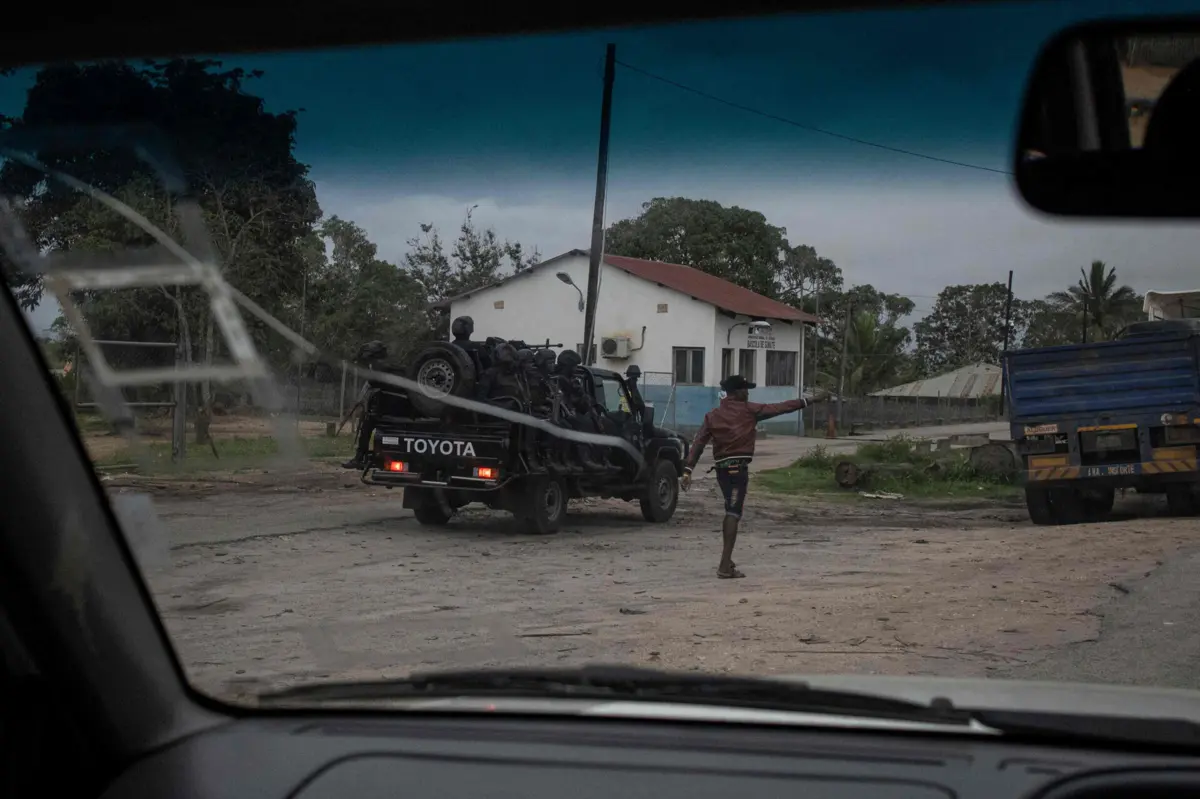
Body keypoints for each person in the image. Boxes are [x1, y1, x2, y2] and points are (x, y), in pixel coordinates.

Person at [681, 375, 831, 579]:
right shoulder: (749, 410)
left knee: (730, 510)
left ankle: (727, 561)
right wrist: (809, 400)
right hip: (737, 471)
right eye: (746, 389)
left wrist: (688, 470)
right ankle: (724, 566)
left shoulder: (712, 415)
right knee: (733, 513)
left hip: (723, 471)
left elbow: (698, 443)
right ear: (738, 391)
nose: (748, 392)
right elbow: (781, 407)